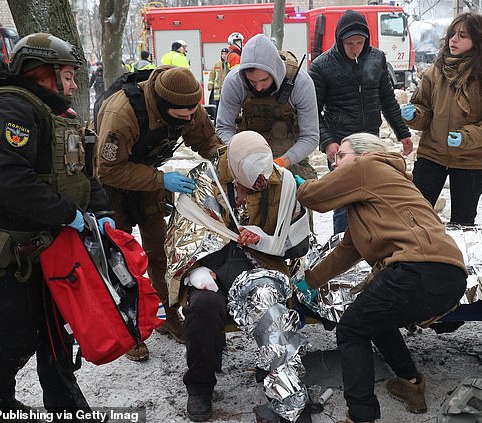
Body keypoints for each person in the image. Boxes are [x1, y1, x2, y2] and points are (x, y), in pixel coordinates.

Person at [0, 33, 112, 419]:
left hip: (43, 244)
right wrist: (69, 215)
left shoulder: (53, 112)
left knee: (55, 333)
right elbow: (11, 183)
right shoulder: (12, 109)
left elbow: (79, 171)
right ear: (43, 73)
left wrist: (102, 211)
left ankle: (68, 409)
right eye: (69, 76)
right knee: (18, 334)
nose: (74, 85)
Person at [295, 133, 467, 423]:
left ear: (361, 155)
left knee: (350, 330)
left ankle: (361, 415)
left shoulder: (368, 167)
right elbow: (346, 251)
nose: (334, 164)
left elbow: (314, 197)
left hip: (415, 268)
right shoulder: (376, 192)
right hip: (447, 275)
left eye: (340, 156)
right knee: (375, 320)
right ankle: (410, 385)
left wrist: (296, 185)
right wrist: (310, 281)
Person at [95, 66, 222, 361]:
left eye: (194, 112)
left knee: (160, 253)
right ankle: (127, 329)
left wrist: (231, 159)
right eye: (182, 116)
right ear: (164, 107)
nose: (190, 119)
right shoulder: (121, 113)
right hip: (112, 186)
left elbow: (207, 141)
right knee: (120, 259)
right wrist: (161, 180)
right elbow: (108, 169)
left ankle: (167, 315)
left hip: (148, 178)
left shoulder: (187, 105)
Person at [175, 131, 301, 422]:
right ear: (234, 169)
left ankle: (280, 382)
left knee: (269, 304)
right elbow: (183, 234)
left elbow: (298, 240)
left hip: (261, 265)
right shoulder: (203, 182)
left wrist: (267, 239)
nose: (261, 183)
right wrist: (195, 269)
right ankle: (200, 385)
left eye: (264, 176)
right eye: (253, 177)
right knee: (204, 306)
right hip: (212, 268)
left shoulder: (281, 183)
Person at [402, 12, 482, 226]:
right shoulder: (436, 71)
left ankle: (456, 259)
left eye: (462, 35)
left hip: (470, 161)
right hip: (431, 156)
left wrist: (467, 137)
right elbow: (423, 109)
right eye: (452, 34)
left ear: (477, 39)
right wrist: (415, 115)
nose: (454, 40)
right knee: (414, 219)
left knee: (463, 224)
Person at [308, 9, 413, 234]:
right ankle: (341, 247)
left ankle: (370, 244)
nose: (355, 48)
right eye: (349, 43)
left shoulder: (377, 58)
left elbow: (387, 99)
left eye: (359, 42)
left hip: (370, 143)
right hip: (341, 143)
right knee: (345, 202)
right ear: (339, 40)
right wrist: (327, 143)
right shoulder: (321, 66)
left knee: (371, 198)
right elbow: (312, 113)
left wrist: (402, 132)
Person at [216, 33, 319, 182]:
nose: (258, 88)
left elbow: (310, 137)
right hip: (246, 157)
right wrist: (240, 155)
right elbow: (224, 127)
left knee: (305, 196)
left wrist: (284, 161)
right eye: (252, 81)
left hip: (290, 157)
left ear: (275, 71)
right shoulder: (234, 82)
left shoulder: (300, 83)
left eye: (264, 80)